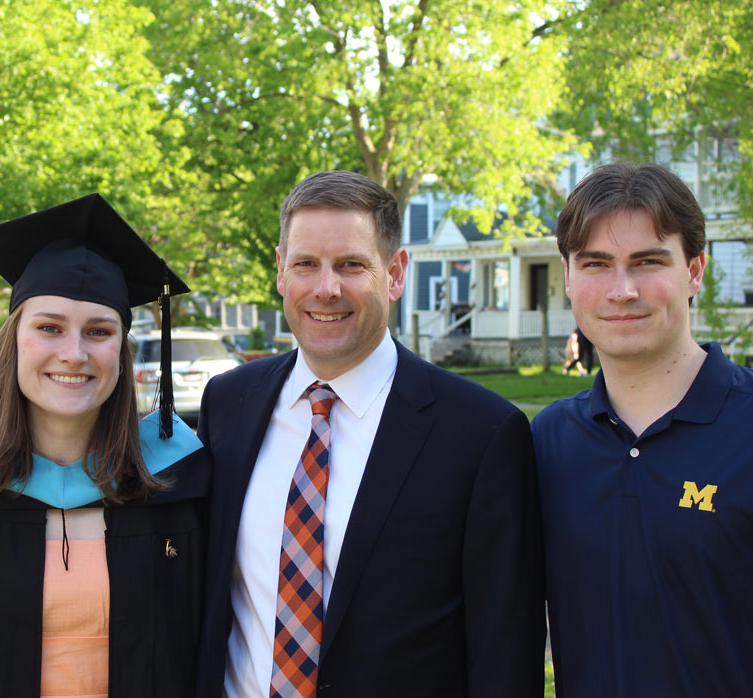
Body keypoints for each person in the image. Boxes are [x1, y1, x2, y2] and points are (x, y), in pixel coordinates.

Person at [197, 171, 545, 698]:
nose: (326, 288)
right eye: (306, 264)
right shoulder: (228, 404)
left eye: (351, 265)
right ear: (280, 271)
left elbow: (505, 651)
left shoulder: (481, 434)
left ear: (395, 272)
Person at [534, 162, 753, 697]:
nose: (622, 289)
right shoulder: (547, 442)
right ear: (568, 276)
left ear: (695, 271)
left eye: (648, 261)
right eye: (596, 264)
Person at [0, 193, 209, 698]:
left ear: (121, 355)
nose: (74, 353)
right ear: (13, 341)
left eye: (98, 331)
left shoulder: (182, 479)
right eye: (49, 328)